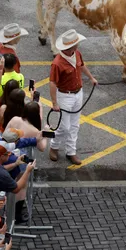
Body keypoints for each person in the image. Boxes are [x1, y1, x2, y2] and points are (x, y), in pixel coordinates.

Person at [49, 29, 97, 165]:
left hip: (78, 93)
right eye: (76, 44)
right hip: (65, 96)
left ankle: (71, 152)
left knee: (75, 125)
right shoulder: (57, 63)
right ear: (70, 46)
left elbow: (81, 66)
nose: (78, 46)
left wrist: (91, 78)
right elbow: (52, 82)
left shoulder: (77, 54)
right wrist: (54, 103)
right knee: (64, 127)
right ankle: (54, 146)